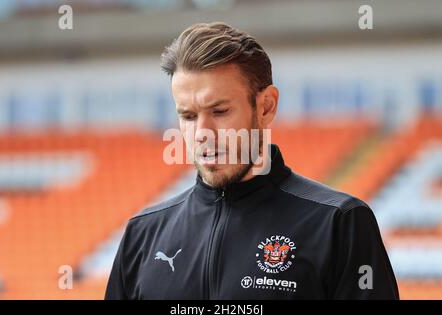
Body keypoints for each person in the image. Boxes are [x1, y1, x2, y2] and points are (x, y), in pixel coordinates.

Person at [105, 22, 399, 300]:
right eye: (188, 116)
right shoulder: (142, 234)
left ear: (266, 106)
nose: (202, 134)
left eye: (219, 111)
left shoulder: (340, 223)